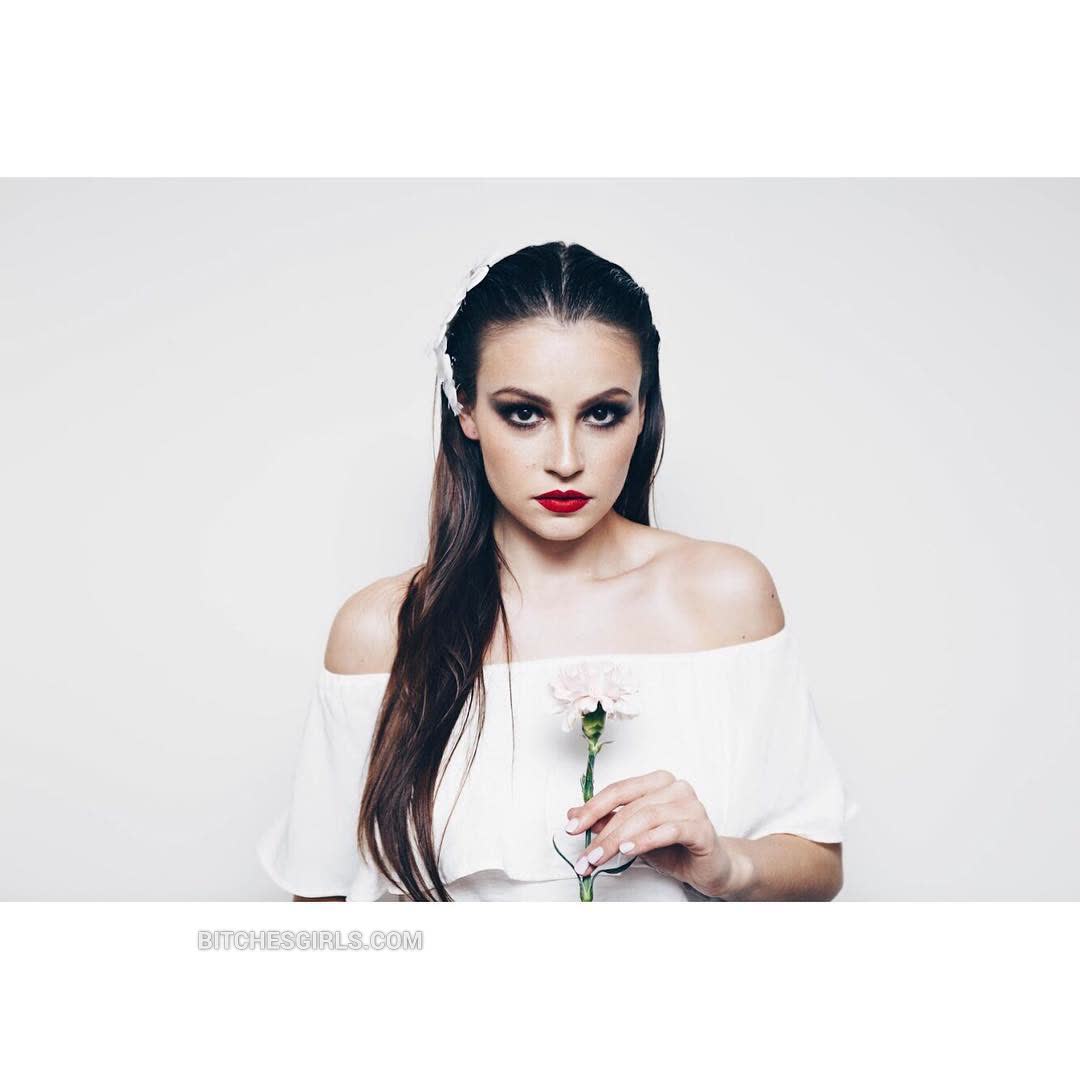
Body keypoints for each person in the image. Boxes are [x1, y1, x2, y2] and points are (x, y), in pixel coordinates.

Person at [256, 240, 857, 902]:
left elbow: (818, 861)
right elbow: (321, 907)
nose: (566, 460)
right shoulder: (384, 630)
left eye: (602, 414)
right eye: (525, 413)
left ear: (642, 413)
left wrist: (725, 864)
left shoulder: (723, 596)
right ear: (466, 410)